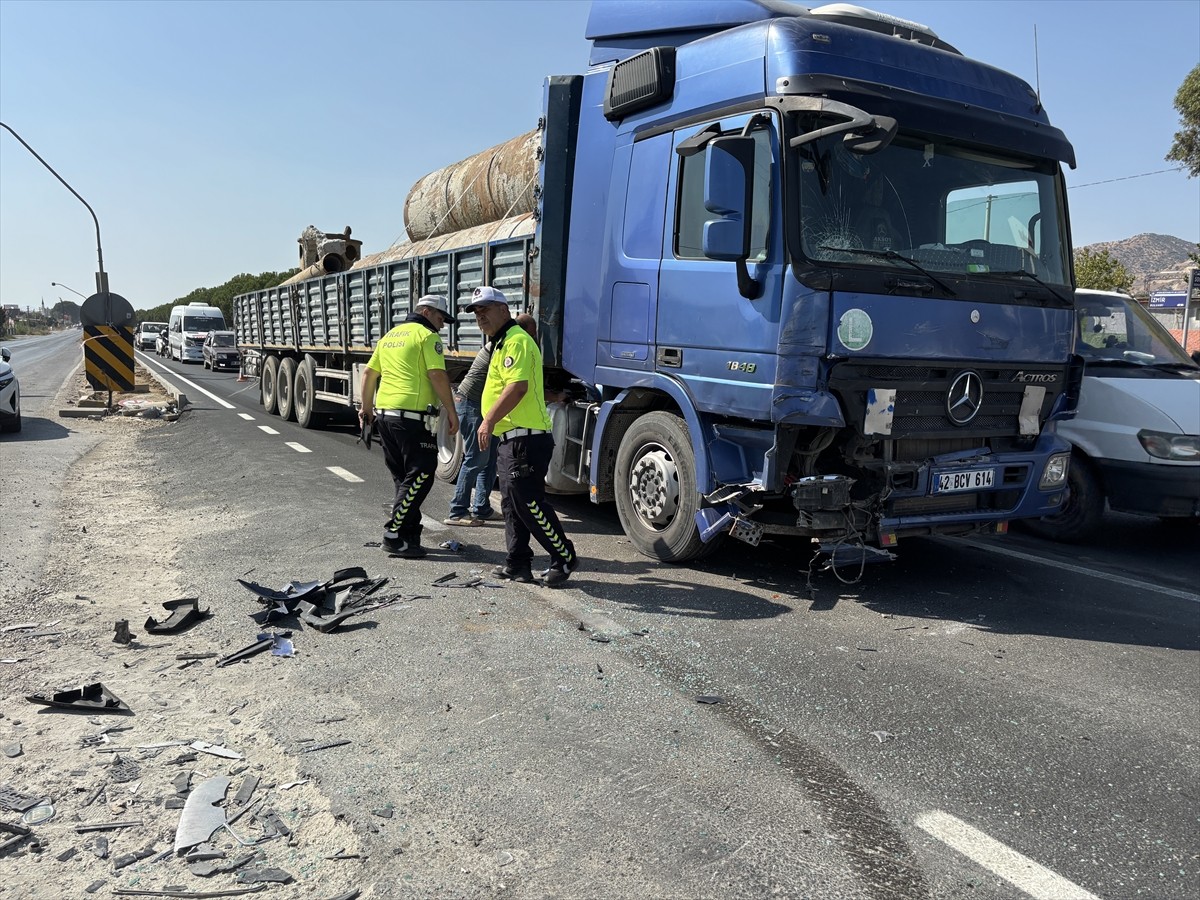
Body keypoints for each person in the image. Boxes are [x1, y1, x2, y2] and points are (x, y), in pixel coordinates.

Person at [466, 285, 579, 587]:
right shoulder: (500, 343)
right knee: (511, 505)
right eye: (476, 312)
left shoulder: (516, 340)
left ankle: (563, 556)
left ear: (504, 310)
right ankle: (517, 564)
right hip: (512, 439)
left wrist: (488, 420)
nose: (480, 316)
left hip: (526, 439)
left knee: (528, 502)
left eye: (485, 309)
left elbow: (517, 388)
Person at [359, 295, 458, 559]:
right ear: (426, 312)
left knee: (404, 479)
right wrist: (451, 410)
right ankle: (393, 534)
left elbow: (369, 373)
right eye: (440, 318)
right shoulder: (427, 336)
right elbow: (437, 375)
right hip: (412, 418)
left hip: (385, 416)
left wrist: (366, 410)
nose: (442, 325)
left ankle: (409, 536)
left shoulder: (389, 337)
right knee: (422, 474)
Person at [444, 311, 540, 527]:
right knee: (476, 459)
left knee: (489, 460)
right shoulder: (506, 345)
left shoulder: (508, 342)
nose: (533, 339)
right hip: (470, 403)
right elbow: (514, 386)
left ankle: (482, 508)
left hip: (483, 406)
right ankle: (457, 511)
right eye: (532, 334)